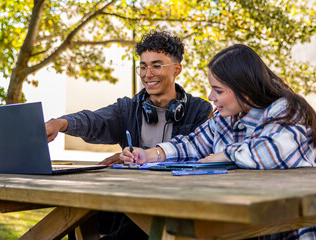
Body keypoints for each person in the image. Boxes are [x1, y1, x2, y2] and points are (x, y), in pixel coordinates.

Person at [121, 43, 316, 239]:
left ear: (245, 90)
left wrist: (224, 155)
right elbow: (193, 143)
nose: (210, 96)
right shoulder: (226, 117)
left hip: (285, 229)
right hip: (239, 221)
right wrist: (150, 154)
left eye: (218, 91)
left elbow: (268, 153)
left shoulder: (287, 110)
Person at [46, 30, 212, 240]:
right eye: (143, 67)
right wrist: (62, 123)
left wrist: (143, 162)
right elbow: (95, 121)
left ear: (177, 69)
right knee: (73, 216)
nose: (147, 74)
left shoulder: (199, 110)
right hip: (129, 203)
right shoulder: (128, 108)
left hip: (175, 207)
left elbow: (202, 155)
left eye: (156, 65)